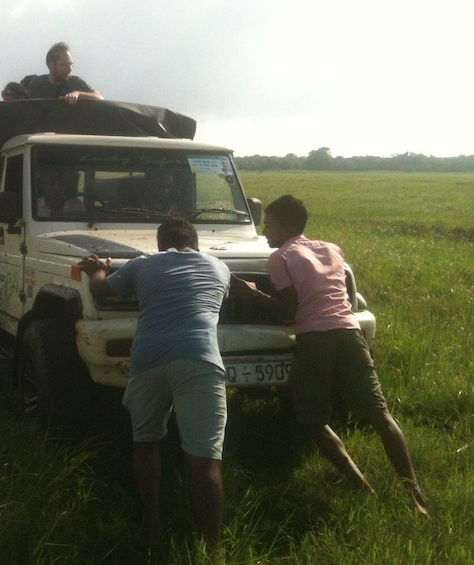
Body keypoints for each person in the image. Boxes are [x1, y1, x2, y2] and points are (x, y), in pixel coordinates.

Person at [230, 194, 429, 516]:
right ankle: (414, 492)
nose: (266, 232)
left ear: (288, 227)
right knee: (380, 415)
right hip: (349, 334)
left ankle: (361, 485)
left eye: (270, 225)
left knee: (312, 420)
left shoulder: (280, 257)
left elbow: (289, 311)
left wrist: (254, 295)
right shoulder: (332, 248)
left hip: (315, 338)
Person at [78, 219, 230, 547]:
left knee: (145, 442)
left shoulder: (143, 264)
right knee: (204, 461)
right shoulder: (219, 267)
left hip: (148, 358)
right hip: (199, 358)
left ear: (161, 244)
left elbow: (101, 289)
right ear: (197, 243)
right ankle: (212, 548)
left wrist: (97, 270)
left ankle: (152, 525)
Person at [28, 42, 103, 104]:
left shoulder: (75, 83)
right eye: (65, 65)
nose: (70, 69)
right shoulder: (37, 84)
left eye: (71, 64)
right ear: (51, 65)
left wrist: (78, 94)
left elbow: (99, 98)